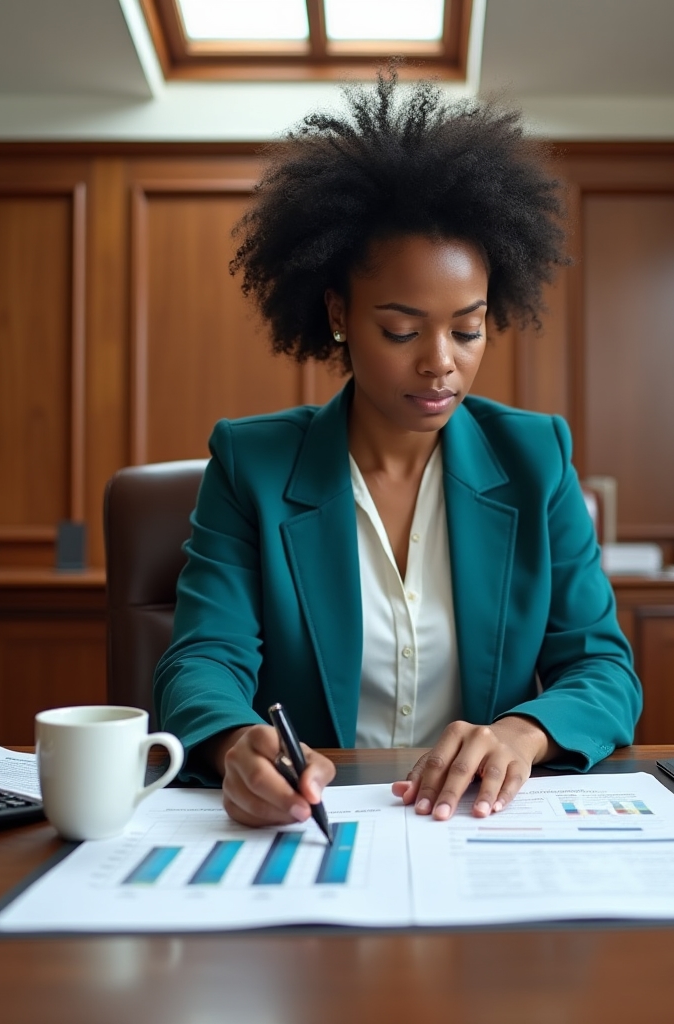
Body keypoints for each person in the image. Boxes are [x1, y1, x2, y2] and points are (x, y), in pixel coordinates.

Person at [154, 69, 641, 831]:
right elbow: (201, 659)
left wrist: (521, 733)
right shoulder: (253, 465)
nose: (441, 361)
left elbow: (603, 670)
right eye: (403, 330)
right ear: (340, 314)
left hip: (475, 827)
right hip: (319, 827)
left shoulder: (535, 457)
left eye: (469, 328)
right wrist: (235, 741)